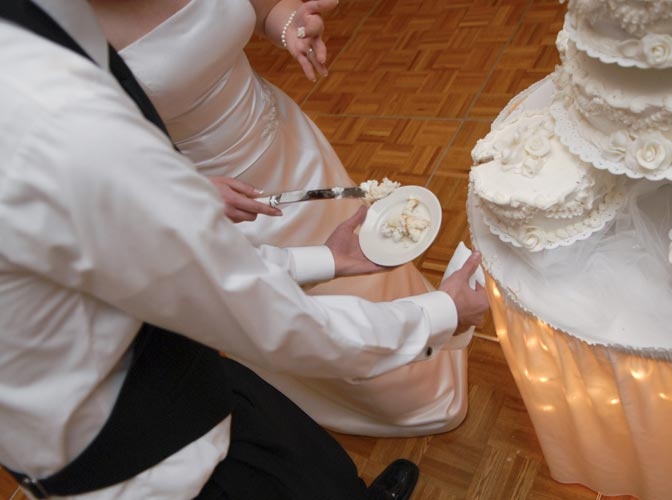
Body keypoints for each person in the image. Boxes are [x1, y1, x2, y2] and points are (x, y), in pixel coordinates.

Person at [0, 1, 489, 499]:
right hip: (150, 462)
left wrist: (325, 259)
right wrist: (441, 312)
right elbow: (269, 317)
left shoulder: (37, 43)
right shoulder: (60, 131)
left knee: (320, 469)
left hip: (185, 367)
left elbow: (189, 259)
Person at [88, 0, 475, 437]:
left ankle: (431, 324)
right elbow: (89, 179)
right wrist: (178, 191)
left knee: (365, 260)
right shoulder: (48, 38)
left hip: (288, 143)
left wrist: (288, 23)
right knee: (305, 310)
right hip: (222, 201)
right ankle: (395, 388)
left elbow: (260, 8)